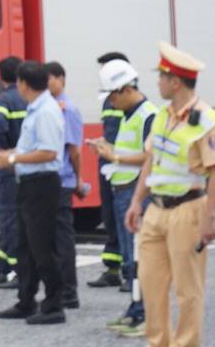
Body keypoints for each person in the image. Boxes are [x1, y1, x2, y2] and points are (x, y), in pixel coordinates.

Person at [124, 42, 215, 347]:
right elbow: (150, 160)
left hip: (188, 210)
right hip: (156, 209)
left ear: (175, 81)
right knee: (152, 287)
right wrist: (136, 202)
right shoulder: (161, 116)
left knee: (188, 291)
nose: (157, 82)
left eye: (161, 76)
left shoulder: (208, 122)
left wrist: (211, 217)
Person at [0, 60, 67, 326]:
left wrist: (13, 161)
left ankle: (54, 304)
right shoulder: (36, 108)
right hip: (30, 183)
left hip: (42, 184)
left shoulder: (45, 111)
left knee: (42, 247)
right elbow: (31, 147)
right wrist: (10, 154)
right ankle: (26, 300)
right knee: (25, 247)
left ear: (24, 84)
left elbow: (48, 152)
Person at [90, 58, 158, 337]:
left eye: (112, 97)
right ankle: (135, 310)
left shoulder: (148, 114)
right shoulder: (131, 113)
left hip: (136, 193)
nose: (110, 103)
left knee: (142, 256)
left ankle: (146, 316)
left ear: (125, 89)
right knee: (131, 257)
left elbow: (150, 156)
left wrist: (113, 155)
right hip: (123, 190)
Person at [45, 61, 86, 310]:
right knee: (53, 238)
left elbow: (74, 150)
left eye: (50, 78)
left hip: (63, 180)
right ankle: (62, 290)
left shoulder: (67, 109)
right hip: (54, 180)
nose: (47, 83)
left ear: (61, 79)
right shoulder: (51, 107)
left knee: (62, 239)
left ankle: (69, 292)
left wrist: (79, 180)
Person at [89, 51, 127, 288]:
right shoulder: (108, 100)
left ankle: (131, 272)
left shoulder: (132, 102)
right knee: (110, 217)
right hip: (108, 164)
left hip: (124, 166)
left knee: (125, 220)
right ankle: (113, 268)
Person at [0, 55, 26, 288]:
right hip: (28, 162)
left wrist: (4, 145)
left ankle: (16, 269)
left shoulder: (4, 99)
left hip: (10, 165)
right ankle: (3, 267)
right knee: (21, 217)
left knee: (10, 217)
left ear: (1, 77)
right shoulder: (27, 98)